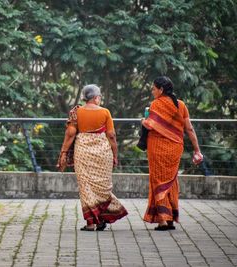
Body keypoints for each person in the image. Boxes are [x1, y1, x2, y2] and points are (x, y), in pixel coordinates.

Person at [57, 84, 128, 231]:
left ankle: (91, 223)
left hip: (82, 151)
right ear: (96, 98)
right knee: (103, 186)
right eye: (100, 97)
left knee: (86, 187)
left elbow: (70, 133)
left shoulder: (76, 112)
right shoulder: (105, 112)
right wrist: (115, 154)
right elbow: (111, 136)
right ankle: (101, 218)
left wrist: (63, 152)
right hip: (103, 152)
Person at [141, 76, 203, 231]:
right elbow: (189, 129)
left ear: (161, 90)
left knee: (158, 181)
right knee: (171, 181)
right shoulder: (181, 105)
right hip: (175, 147)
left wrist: (144, 121)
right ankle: (170, 219)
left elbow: (150, 125)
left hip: (157, 147)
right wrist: (197, 149)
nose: (152, 91)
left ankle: (162, 220)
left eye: (154, 88)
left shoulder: (156, 104)